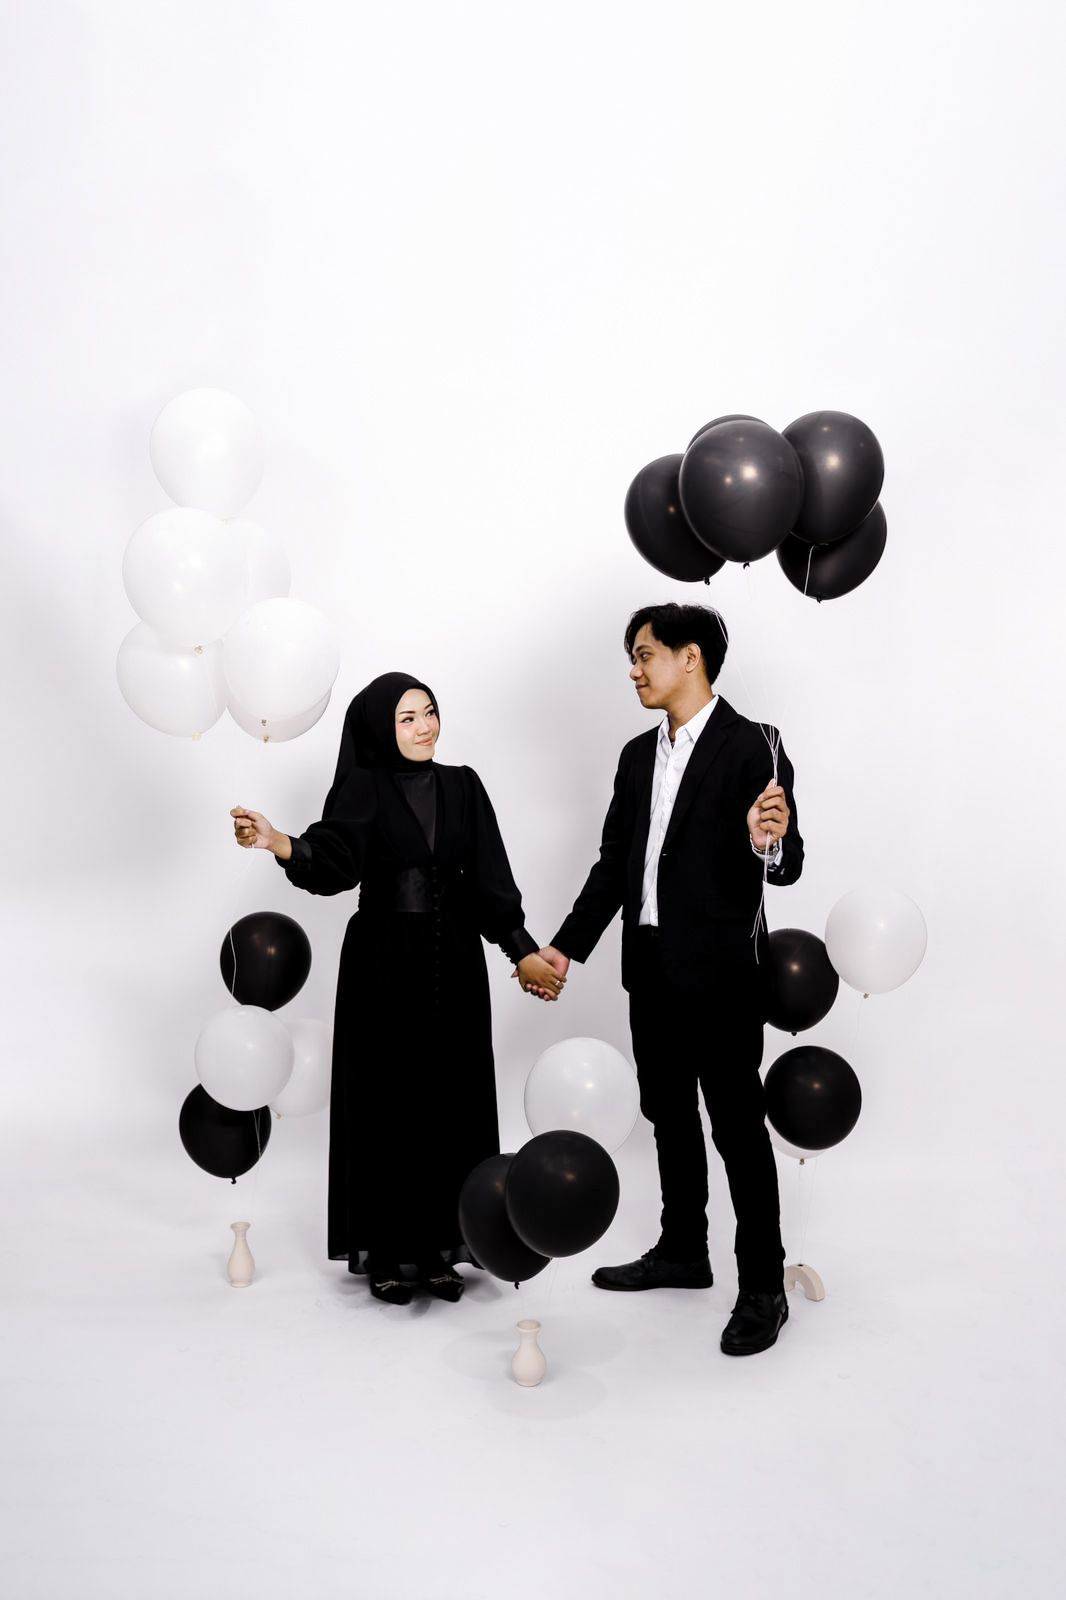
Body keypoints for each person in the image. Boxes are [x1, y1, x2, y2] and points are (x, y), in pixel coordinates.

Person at [230, 671, 563, 1306]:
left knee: (450, 1099)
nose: (424, 727)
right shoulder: (366, 787)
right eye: (407, 718)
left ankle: (440, 1247)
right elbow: (334, 862)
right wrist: (277, 842)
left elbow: (490, 881)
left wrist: (521, 950)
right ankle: (386, 1249)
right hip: (382, 965)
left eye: (430, 712)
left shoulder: (464, 786)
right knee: (387, 1102)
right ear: (382, 730)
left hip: (453, 961)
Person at [530, 604, 804, 1356]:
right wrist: (565, 949)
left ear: (691, 658)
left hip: (722, 976)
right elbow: (613, 866)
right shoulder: (634, 756)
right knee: (668, 1116)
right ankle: (684, 1250)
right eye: (632, 656)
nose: (634, 670)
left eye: (645, 654)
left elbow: (787, 860)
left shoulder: (755, 744)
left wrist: (766, 842)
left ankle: (763, 1287)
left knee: (737, 1129)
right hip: (648, 968)